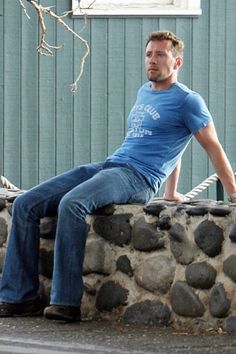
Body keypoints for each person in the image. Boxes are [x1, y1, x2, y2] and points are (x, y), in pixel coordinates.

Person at [0, 31, 236, 322]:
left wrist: (234, 193)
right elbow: (172, 141)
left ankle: (65, 302)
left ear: (177, 62)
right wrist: (173, 191)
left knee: (72, 204)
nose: (152, 60)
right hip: (111, 165)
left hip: (137, 177)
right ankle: (19, 297)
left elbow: (213, 148)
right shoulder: (144, 91)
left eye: (160, 54)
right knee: (25, 204)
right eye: (149, 54)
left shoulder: (189, 101)